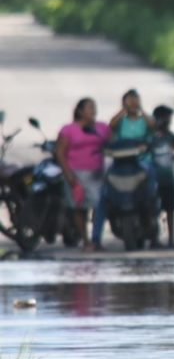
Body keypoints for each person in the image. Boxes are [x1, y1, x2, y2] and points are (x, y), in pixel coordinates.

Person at [55, 98, 111, 251]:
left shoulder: (101, 128)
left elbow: (113, 142)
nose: (93, 111)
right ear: (80, 111)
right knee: (79, 208)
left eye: (94, 107)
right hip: (75, 173)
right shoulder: (69, 129)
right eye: (89, 108)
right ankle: (86, 241)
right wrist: (68, 174)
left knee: (99, 205)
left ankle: (96, 238)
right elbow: (60, 152)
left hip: (97, 174)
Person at [150, 105, 174, 248]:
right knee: (154, 210)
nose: (168, 122)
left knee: (171, 209)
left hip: (168, 179)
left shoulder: (170, 136)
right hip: (154, 180)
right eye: (166, 119)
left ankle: (171, 240)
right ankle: (154, 239)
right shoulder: (150, 137)